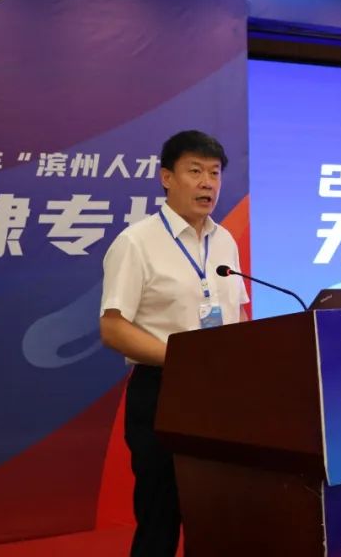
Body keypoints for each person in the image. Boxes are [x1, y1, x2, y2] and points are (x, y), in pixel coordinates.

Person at [99, 129, 249, 557]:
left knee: (216, 512)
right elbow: (113, 327)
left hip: (219, 394)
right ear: (167, 177)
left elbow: (238, 312)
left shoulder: (224, 240)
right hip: (163, 392)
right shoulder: (136, 243)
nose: (207, 183)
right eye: (195, 171)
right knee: (161, 516)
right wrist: (184, 359)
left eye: (214, 173)